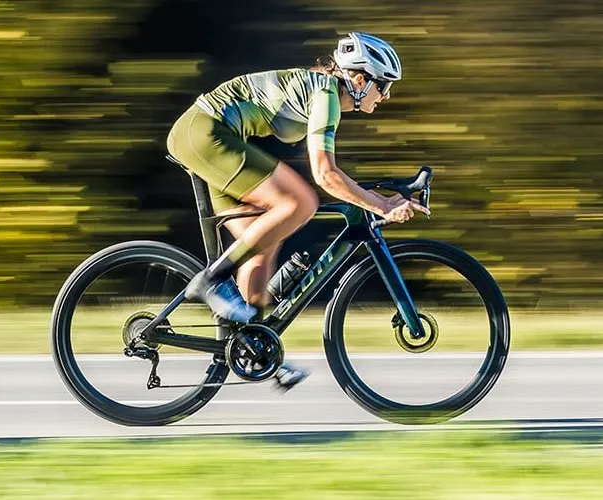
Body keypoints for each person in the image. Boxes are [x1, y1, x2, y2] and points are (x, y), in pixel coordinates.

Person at [169, 32, 426, 389]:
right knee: (299, 202)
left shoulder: (326, 93)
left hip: (214, 136)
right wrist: (380, 205)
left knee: (262, 246)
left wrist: (378, 197)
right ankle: (210, 281)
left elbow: (329, 172)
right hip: (205, 132)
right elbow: (325, 174)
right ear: (358, 79)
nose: (385, 96)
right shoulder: (326, 94)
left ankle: (255, 349)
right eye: (383, 86)